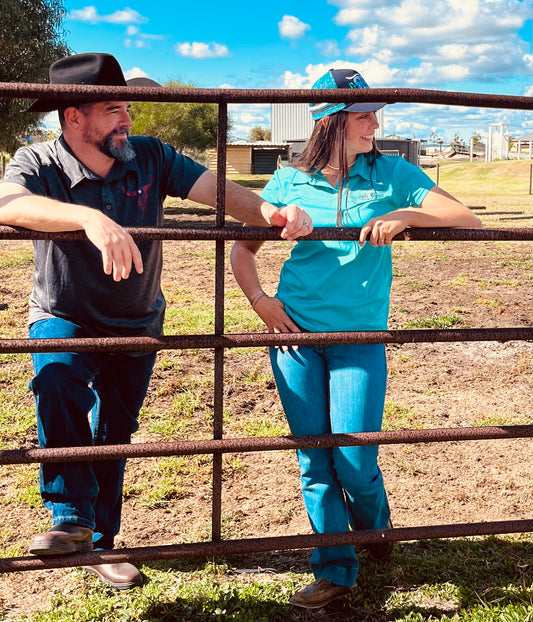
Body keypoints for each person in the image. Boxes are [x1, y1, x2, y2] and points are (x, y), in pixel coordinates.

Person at [0, 52, 312, 591]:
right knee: (56, 379)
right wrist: (88, 218)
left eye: (128, 107)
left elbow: (218, 192)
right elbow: (6, 203)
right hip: (65, 313)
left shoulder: (150, 156)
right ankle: (70, 516)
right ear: (74, 117)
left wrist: (271, 214)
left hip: (138, 319)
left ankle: (100, 543)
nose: (128, 119)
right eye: (114, 109)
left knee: (115, 432)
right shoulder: (38, 161)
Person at [231, 67, 482, 610]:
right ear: (331, 121)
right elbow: (243, 249)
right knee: (314, 459)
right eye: (365, 115)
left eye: (375, 114)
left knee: (356, 459)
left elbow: (466, 217)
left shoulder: (391, 171)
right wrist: (260, 300)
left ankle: (374, 527)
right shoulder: (289, 180)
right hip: (295, 336)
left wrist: (405, 213)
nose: (375, 124)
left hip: (359, 337)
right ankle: (335, 569)